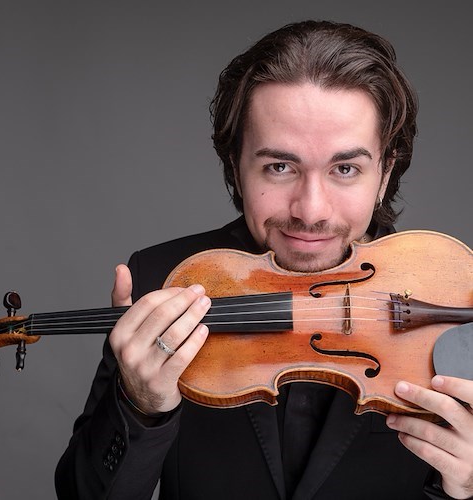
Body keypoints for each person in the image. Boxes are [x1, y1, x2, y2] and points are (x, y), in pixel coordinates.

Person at [55, 20, 473, 499]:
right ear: (235, 164)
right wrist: (140, 405)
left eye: (345, 169)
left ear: (385, 172)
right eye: (279, 166)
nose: (311, 210)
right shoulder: (165, 280)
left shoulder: (451, 292)